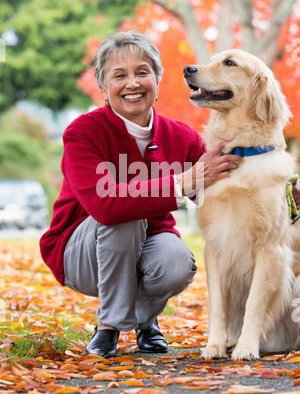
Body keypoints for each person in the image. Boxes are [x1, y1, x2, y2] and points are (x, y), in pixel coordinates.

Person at [39, 30, 242, 357]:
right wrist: (181, 182)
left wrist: (281, 194)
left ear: (157, 81)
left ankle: (146, 322)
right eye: (119, 75)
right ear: (104, 87)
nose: (132, 83)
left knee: (176, 261)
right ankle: (109, 327)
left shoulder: (183, 137)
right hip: (79, 250)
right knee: (124, 216)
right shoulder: (82, 133)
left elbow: (217, 189)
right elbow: (106, 207)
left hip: (148, 242)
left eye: (142, 73)